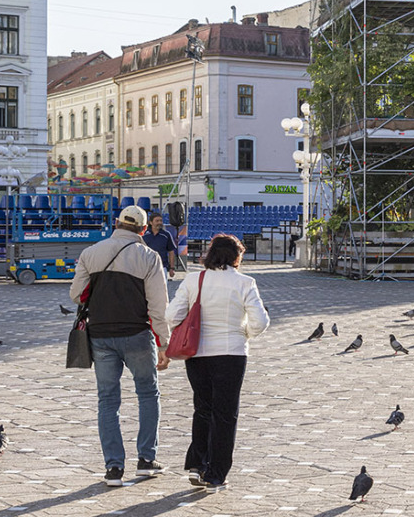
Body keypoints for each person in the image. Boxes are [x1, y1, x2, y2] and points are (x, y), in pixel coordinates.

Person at [69, 204, 170, 487]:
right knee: (148, 394)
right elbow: (158, 305)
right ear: (143, 229)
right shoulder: (149, 257)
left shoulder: (91, 253)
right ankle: (146, 459)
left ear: (116, 223)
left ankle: (113, 467)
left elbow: (76, 294)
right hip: (137, 334)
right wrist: (164, 343)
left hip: (100, 335)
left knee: (108, 400)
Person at [166, 232, 269, 491]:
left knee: (202, 408)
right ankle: (216, 474)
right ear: (237, 257)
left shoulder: (194, 280)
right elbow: (260, 322)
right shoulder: (245, 283)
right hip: (231, 353)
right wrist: (244, 333)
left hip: (197, 353)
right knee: (225, 414)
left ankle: (197, 463)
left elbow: (172, 315)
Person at [144, 213, 177, 279]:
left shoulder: (166, 235)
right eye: (157, 221)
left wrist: (172, 268)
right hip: (147, 268)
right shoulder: (144, 235)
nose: (159, 222)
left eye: (161, 220)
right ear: (151, 222)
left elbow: (171, 252)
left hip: (162, 267)